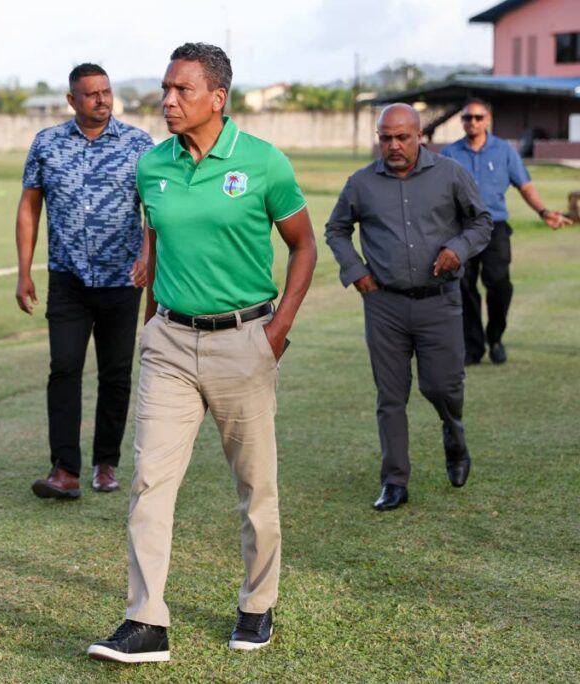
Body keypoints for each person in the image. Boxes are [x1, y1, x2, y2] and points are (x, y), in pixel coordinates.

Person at [88, 43, 316, 663]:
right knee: (148, 481)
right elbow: (155, 247)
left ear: (218, 97)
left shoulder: (263, 163)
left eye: (182, 90)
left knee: (254, 486)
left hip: (245, 341)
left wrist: (276, 332)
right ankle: (146, 621)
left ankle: (256, 604)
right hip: (167, 343)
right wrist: (149, 326)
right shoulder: (152, 166)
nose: (167, 100)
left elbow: (303, 247)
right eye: (165, 88)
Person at [325, 103, 492, 512]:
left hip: (440, 301)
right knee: (390, 395)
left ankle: (453, 431)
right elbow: (337, 229)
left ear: (420, 135)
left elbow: (481, 222)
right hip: (384, 304)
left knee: (441, 387)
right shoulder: (361, 183)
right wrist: (355, 270)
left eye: (402, 137)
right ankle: (395, 480)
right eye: (386, 138)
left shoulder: (451, 174)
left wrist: (458, 248)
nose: (394, 145)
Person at [17, 63, 153, 499]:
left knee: (115, 373)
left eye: (106, 92)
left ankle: (106, 464)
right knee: (64, 369)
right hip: (68, 280)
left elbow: (156, 207)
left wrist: (149, 256)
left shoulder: (138, 144)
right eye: (91, 94)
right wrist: (24, 270)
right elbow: (29, 207)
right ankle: (65, 470)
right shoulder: (47, 144)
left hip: (121, 281)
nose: (102, 100)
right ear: (72, 100)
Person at [440, 98, 573, 365]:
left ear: (487, 119)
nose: (472, 122)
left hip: (494, 227)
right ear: (462, 121)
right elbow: (435, 192)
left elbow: (525, 186)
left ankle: (496, 337)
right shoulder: (449, 153)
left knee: (499, 285)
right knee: (464, 287)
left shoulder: (504, 151)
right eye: (468, 118)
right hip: (461, 229)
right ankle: (473, 346)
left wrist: (544, 212)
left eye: (478, 118)